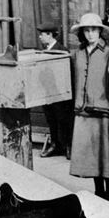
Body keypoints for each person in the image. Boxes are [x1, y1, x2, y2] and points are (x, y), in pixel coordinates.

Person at [68, 13, 109, 203]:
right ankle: (99, 190)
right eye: (87, 31)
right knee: (91, 153)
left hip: (103, 107)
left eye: (94, 30)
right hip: (83, 109)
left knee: (105, 152)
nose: (90, 34)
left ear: (100, 31)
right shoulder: (79, 53)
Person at [36, 22, 73, 158]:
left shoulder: (61, 51)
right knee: (51, 119)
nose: (40, 37)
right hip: (47, 93)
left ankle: (68, 146)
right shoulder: (43, 51)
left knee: (63, 119)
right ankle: (55, 145)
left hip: (60, 94)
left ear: (50, 35)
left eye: (42, 34)